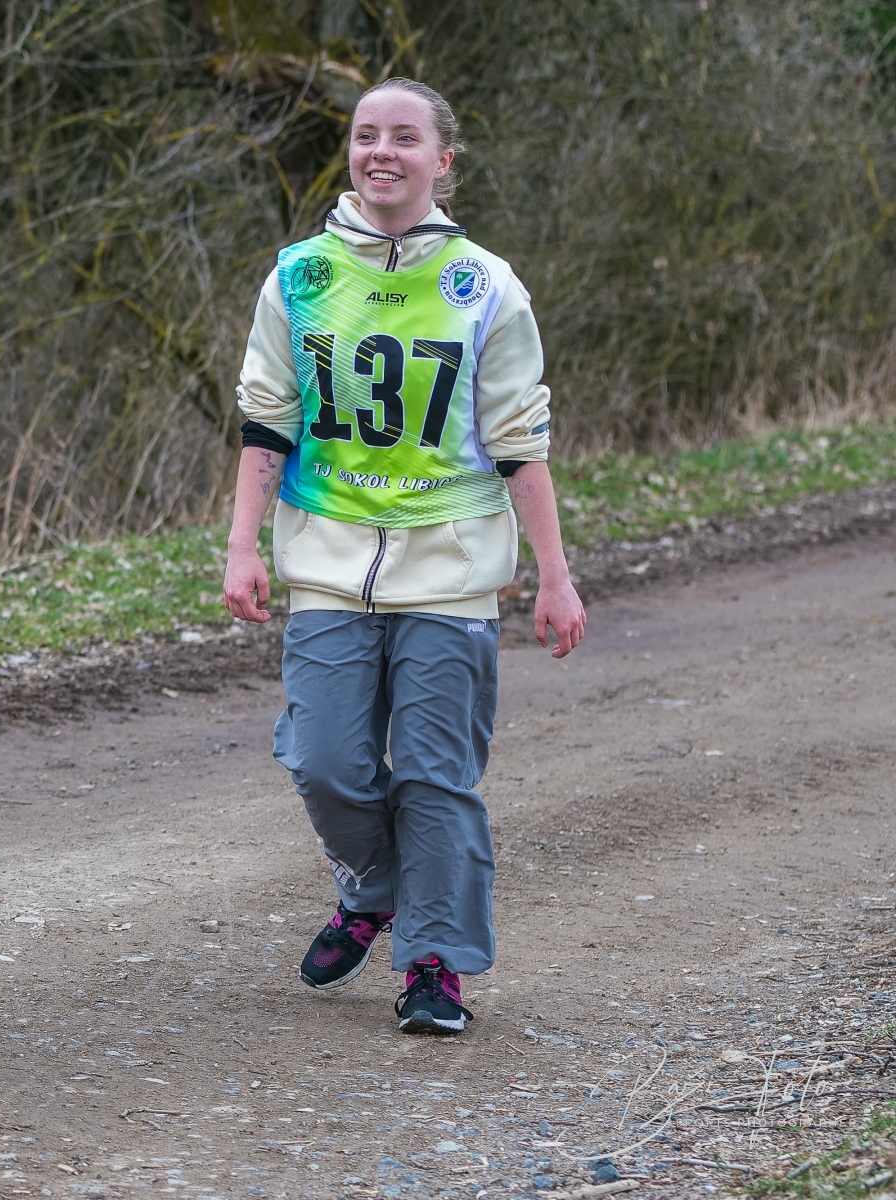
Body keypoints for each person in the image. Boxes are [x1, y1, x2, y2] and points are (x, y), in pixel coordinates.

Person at [221, 78, 586, 1035]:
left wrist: (553, 574)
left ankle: (434, 965)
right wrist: (242, 547)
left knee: (433, 777)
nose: (382, 151)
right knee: (324, 761)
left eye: (405, 137)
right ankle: (375, 888)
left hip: (451, 575)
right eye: (366, 134)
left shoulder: (486, 286)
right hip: (326, 566)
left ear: (443, 159)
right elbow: (266, 421)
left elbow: (520, 440)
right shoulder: (299, 277)